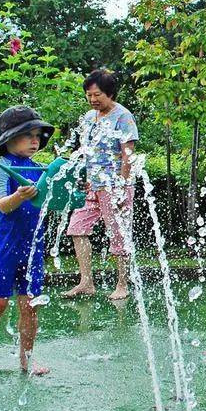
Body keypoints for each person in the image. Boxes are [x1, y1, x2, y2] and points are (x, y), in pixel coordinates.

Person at [0, 106, 54, 377]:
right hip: (5, 245)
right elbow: (3, 205)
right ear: (8, 138)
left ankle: (27, 357)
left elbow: (50, 201)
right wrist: (19, 196)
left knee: (30, 303)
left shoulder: (40, 168)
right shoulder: (2, 168)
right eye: (28, 135)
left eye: (38, 135)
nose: (35, 140)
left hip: (33, 246)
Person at [63, 69, 139, 300]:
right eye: (89, 95)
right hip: (93, 185)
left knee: (118, 234)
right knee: (76, 228)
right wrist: (85, 178)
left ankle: (122, 284)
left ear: (110, 93)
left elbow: (128, 155)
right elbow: (87, 153)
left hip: (115, 185)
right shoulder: (88, 118)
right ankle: (86, 282)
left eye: (97, 95)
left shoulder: (123, 117)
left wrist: (121, 186)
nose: (93, 99)